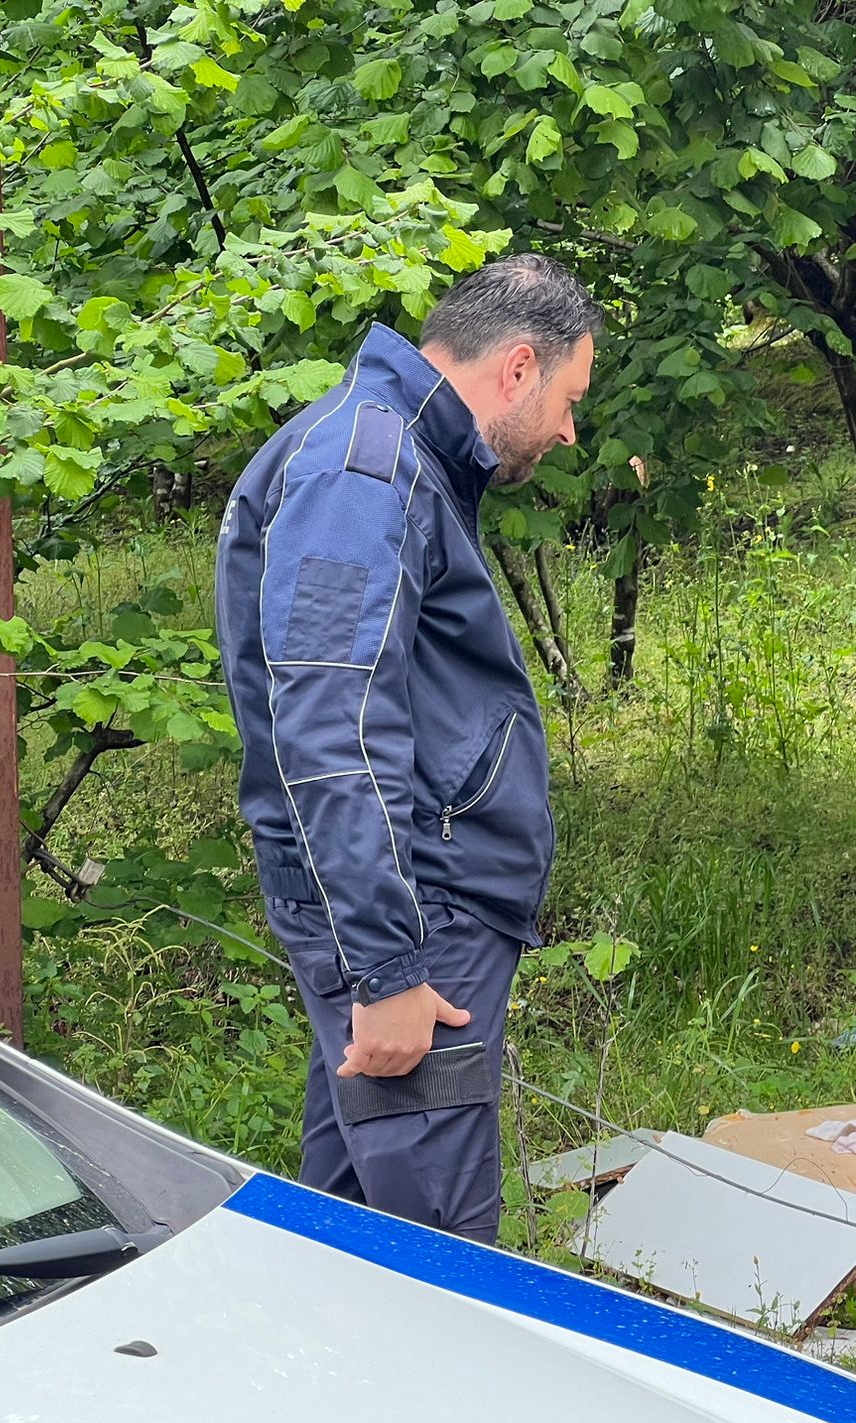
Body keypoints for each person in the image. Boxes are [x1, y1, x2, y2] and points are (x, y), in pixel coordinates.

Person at [214, 254, 599, 1243]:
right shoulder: (364, 468)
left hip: (403, 900)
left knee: (350, 1228)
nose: (567, 428)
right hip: (411, 913)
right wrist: (383, 972)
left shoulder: (392, 457)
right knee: (441, 1259)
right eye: (568, 397)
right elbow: (330, 727)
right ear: (517, 367)